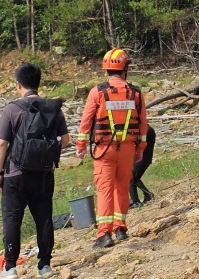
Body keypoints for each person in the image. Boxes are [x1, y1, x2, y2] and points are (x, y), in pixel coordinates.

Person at [0, 63, 69, 278]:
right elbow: (65, 141)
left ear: (18, 84)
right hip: (44, 173)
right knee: (43, 218)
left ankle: (10, 268)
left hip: (15, 175)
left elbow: (1, 143)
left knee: (12, 219)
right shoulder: (52, 108)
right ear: (39, 83)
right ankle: (44, 266)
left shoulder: (12, 108)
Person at [77, 49, 148, 249]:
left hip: (104, 150)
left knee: (105, 190)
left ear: (106, 69)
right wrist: (140, 148)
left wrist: (81, 145)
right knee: (122, 188)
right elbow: (143, 124)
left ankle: (104, 234)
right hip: (127, 149)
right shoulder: (135, 93)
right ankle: (120, 228)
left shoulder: (97, 92)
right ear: (125, 69)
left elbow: (86, 121)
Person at [129, 126, 156, 207]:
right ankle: (148, 195)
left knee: (131, 178)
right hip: (142, 158)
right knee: (133, 177)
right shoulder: (146, 129)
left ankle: (136, 202)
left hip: (142, 159)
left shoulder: (145, 130)